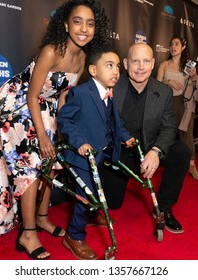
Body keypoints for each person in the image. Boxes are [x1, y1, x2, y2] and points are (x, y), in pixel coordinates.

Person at [0, 0, 111, 260]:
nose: (84, 28)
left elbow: (62, 97)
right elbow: (32, 95)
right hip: (17, 103)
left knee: (52, 163)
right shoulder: (52, 50)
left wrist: (61, 130)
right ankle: (28, 233)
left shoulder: (82, 57)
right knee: (33, 164)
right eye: (77, 21)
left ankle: (42, 218)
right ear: (65, 24)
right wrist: (41, 135)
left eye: (90, 23)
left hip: (45, 107)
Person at [100, 43, 191, 234]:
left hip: (149, 149)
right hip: (119, 153)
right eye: (135, 61)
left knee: (181, 152)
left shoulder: (163, 92)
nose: (141, 67)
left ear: (153, 64)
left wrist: (156, 152)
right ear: (126, 63)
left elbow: (168, 127)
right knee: (112, 204)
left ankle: (164, 208)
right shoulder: (111, 86)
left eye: (146, 61)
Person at [57, 45, 135, 260]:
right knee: (87, 195)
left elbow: (115, 122)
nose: (116, 71)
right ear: (93, 70)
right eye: (109, 66)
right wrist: (80, 142)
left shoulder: (109, 94)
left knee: (95, 190)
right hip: (81, 157)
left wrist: (125, 136)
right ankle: (73, 235)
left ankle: (91, 215)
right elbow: (65, 119)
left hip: (99, 155)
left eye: (118, 66)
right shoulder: (81, 92)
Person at [157, 37, 198, 181]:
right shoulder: (164, 65)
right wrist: (168, 81)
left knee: (187, 135)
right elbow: (157, 84)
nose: (173, 47)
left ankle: (191, 165)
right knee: (167, 133)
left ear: (183, 47)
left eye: (176, 44)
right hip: (167, 103)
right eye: (171, 44)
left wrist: (195, 76)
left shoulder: (188, 66)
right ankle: (162, 161)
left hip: (184, 104)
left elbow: (195, 86)